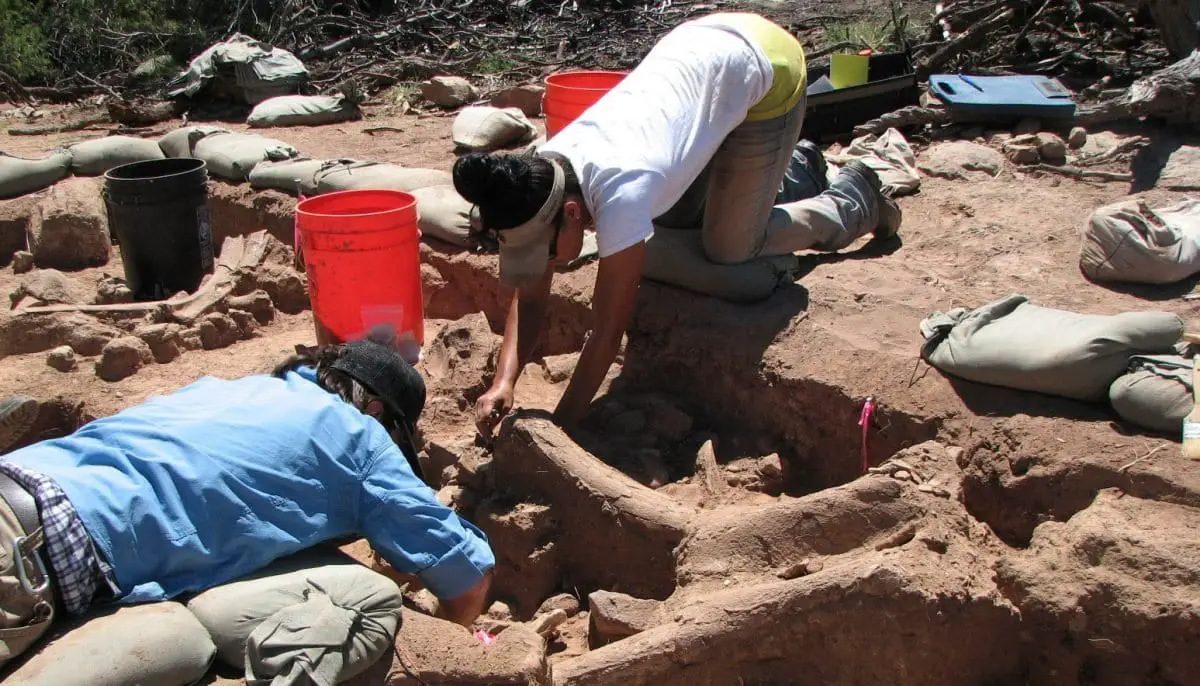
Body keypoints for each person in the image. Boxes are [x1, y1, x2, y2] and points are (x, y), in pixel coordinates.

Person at [453, 11, 902, 437]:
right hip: (700, 55)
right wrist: (503, 382)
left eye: (545, 251)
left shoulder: (622, 191)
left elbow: (607, 333)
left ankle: (853, 199)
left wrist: (559, 428)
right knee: (672, 225)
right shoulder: (537, 180)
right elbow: (530, 296)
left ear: (572, 214)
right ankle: (792, 168)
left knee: (729, 248)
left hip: (766, 68)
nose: (543, 263)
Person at [0, 340, 495, 680]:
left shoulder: (226, 389)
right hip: (37, 553)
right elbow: (468, 577)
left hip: (21, 481)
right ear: (377, 411)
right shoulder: (360, 437)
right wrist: (457, 636)